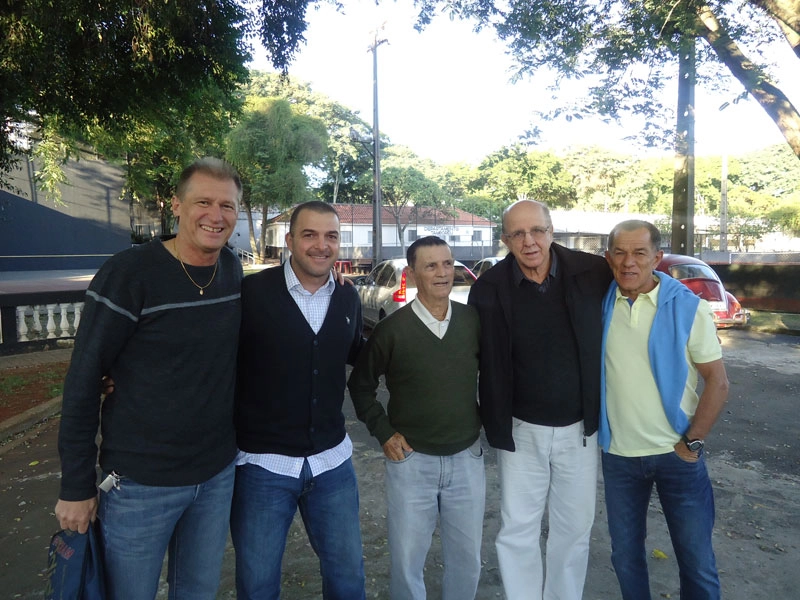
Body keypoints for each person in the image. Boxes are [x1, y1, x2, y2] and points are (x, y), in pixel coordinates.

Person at [55, 157, 243, 599]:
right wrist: (76, 487)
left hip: (216, 475)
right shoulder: (129, 274)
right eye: (203, 202)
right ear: (176, 206)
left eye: (228, 205)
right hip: (140, 483)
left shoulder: (232, 270)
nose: (216, 216)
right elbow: (83, 379)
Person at [467, 199, 612, 600]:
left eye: (536, 230)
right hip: (520, 428)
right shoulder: (489, 289)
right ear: (505, 240)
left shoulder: (592, 272)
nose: (528, 241)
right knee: (518, 528)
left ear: (551, 231)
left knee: (574, 528)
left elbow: (640, 278)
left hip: (579, 429)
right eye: (517, 233)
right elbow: (470, 350)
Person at [232, 200, 366, 600]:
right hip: (263, 467)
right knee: (257, 586)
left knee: (348, 580)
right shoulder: (250, 293)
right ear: (289, 240)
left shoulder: (347, 298)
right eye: (309, 235)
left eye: (331, 236)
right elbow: (208, 356)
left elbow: (359, 357)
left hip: (332, 465)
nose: (321, 245)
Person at [348, 236, 485, 600]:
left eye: (448, 263)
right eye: (431, 265)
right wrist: (384, 432)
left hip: (466, 458)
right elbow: (360, 386)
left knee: (467, 559)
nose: (443, 273)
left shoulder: (473, 321)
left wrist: (485, 419)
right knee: (408, 562)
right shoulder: (392, 329)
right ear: (412, 273)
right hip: (411, 461)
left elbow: (497, 376)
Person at [600, 219, 729, 599]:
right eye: (619, 253)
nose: (628, 262)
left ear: (656, 257)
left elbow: (718, 384)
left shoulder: (689, 308)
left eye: (639, 253)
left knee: (697, 561)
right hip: (620, 457)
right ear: (608, 258)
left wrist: (692, 443)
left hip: (677, 456)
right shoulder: (602, 303)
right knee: (625, 558)